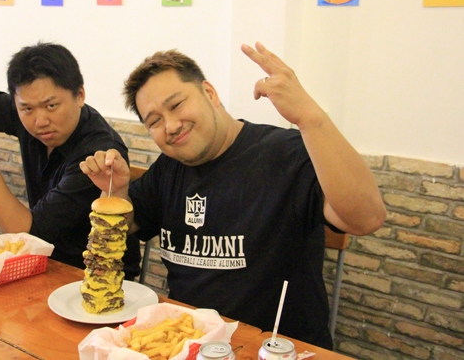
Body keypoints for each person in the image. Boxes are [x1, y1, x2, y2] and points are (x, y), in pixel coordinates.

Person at [79, 42, 386, 349]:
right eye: (154, 121)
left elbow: (366, 219)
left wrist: (311, 118)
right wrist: (117, 190)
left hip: (275, 349)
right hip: (189, 346)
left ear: (209, 93)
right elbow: (131, 223)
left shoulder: (286, 154)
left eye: (176, 105)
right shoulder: (168, 169)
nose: (170, 126)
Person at [0, 32, 141, 279]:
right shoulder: (28, 112)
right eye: (27, 108)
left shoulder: (97, 153)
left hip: (90, 275)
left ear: (80, 95)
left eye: (51, 106)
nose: (40, 121)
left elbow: (27, 232)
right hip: (42, 262)